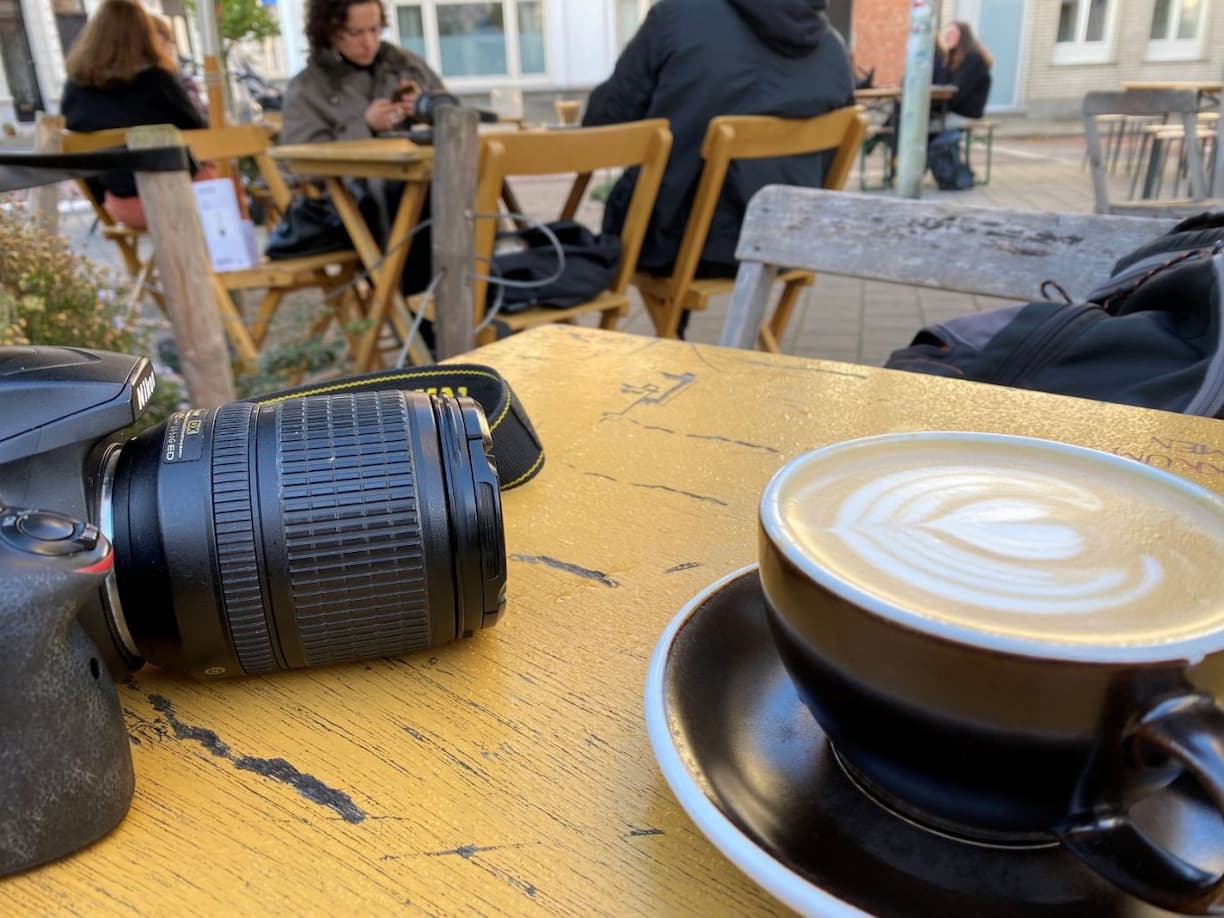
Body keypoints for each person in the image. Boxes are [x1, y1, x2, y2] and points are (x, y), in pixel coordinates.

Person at [582, 0, 854, 336]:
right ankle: (680, 341)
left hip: (674, 244)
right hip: (784, 242)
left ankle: (671, 338)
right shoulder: (832, 48)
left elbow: (603, 122)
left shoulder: (678, 16)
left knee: (629, 221)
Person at [282, 0, 446, 298]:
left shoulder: (406, 65)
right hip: (351, 203)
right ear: (329, 32)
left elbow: (452, 114)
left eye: (374, 30)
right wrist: (365, 125)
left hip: (419, 184)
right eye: (356, 33)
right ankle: (421, 313)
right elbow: (296, 164)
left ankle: (487, 294)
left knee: (467, 183)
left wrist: (426, 107)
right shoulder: (308, 87)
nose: (369, 42)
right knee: (413, 198)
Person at [61, 0, 207, 229]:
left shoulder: (76, 90)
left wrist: (102, 200)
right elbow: (201, 135)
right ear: (144, 35)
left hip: (123, 206)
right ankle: (235, 246)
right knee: (221, 171)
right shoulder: (158, 82)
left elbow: (79, 155)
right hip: (182, 196)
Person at [932, 21, 993, 128]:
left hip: (964, 114)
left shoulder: (974, 59)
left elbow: (956, 92)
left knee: (921, 127)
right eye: (946, 33)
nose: (947, 36)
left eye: (952, 33)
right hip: (950, 112)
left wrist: (933, 106)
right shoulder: (950, 59)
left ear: (964, 37)